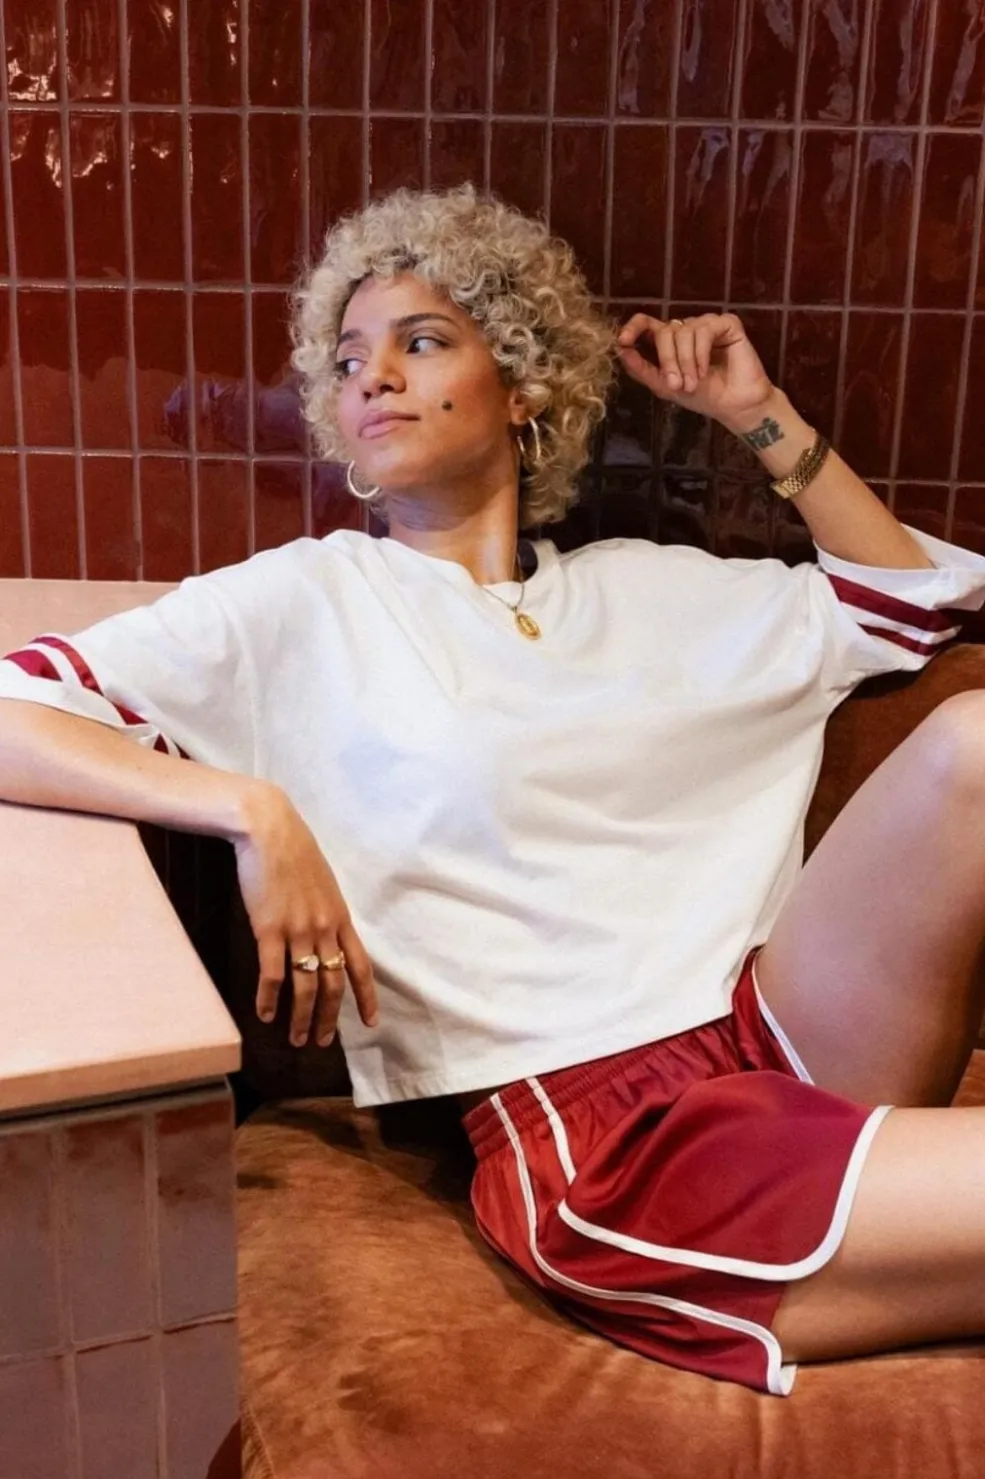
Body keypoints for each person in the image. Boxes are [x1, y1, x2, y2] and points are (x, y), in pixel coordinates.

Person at [2, 183, 985, 1397]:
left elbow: (909, 607)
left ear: (522, 386)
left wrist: (755, 413)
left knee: (969, 743)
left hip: (779, 1029)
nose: (373, 377)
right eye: (348, 360)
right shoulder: (303, 602)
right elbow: (11, 709)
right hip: (611, 1130)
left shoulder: (648, 589)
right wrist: (250, 809)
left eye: (421, 343)